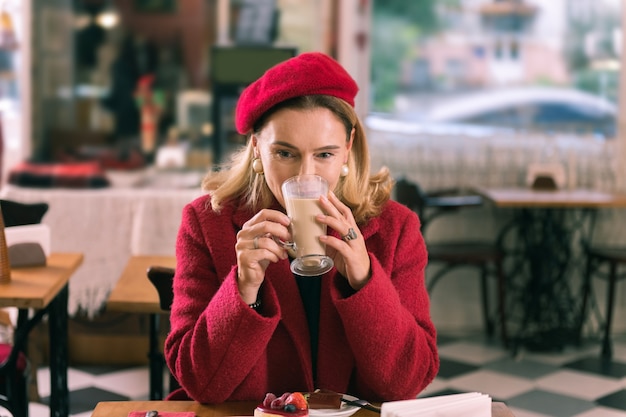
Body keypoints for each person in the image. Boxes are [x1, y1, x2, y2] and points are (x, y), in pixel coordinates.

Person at [164, 52, 439, 404]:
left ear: (347, 149)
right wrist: (243, 289)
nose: (305, 176)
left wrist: (366, 281)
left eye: (324, 154)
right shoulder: (207, 224)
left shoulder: (395, 228)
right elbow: (201, 385)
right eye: (285, 153)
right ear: (257, 148)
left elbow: (406, 384)